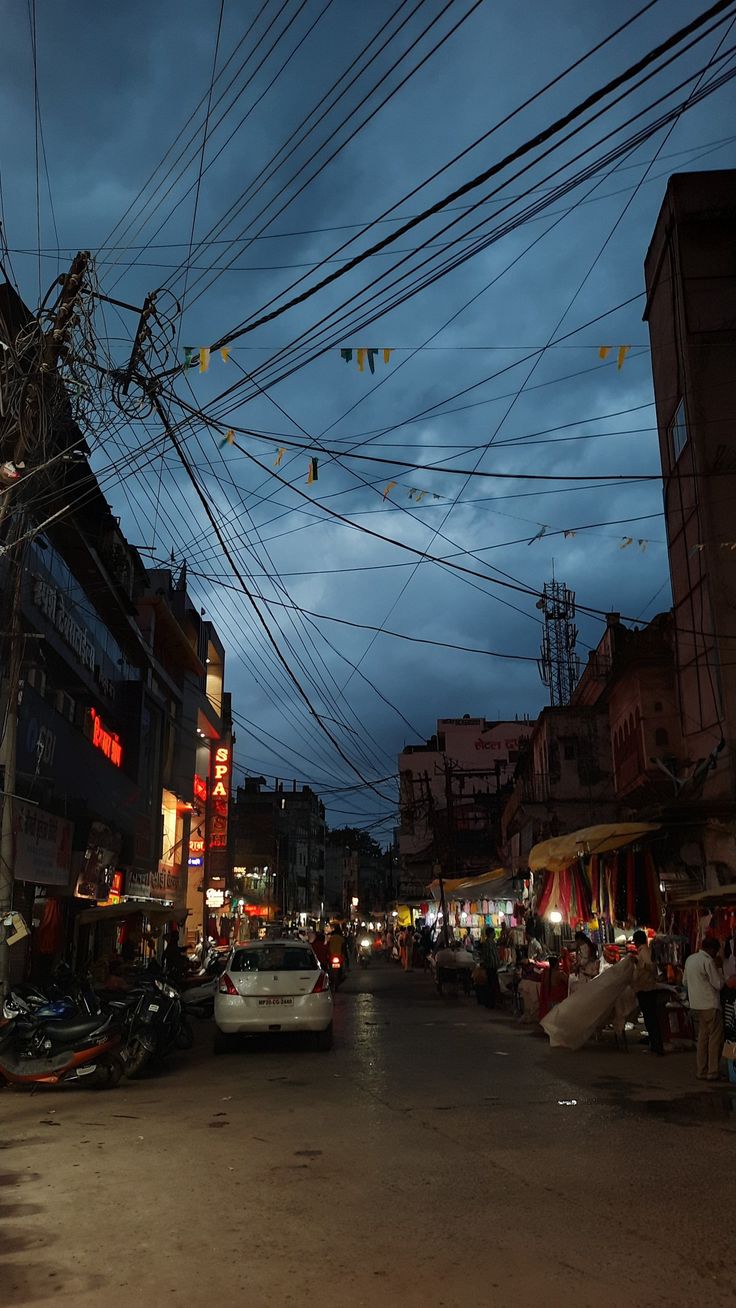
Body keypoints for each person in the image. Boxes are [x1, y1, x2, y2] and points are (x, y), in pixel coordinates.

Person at [683, 937, 725, 1080]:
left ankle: (701, 1070)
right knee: (714, 1039)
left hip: (697, 1004)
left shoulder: (690, 960)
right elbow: (718, 984)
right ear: (712, 949)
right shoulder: (708, 961)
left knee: (702, 1039)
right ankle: (712, 1072)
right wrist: (719, 969)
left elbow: (684, 981)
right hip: (710, 1004)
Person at [632, 929, 664, 1056]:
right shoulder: (643, 951)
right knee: (650, 1019)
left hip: (647, 989)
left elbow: (651, 967)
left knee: (651, 1019)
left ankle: (656, 1047)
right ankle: (654, 1046)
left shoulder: (644, 952)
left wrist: (639, 964)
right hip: (645, 988)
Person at [479, 927, 501, 1009]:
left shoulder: (491, 943)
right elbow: (486, 956)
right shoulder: (487, 943)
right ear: (491, 934)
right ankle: (491, 1003)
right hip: (490, 967)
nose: (495, 934)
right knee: (491, 985)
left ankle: (493, 1002)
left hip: (493, 966)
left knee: (493, 984)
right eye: (494, 933)